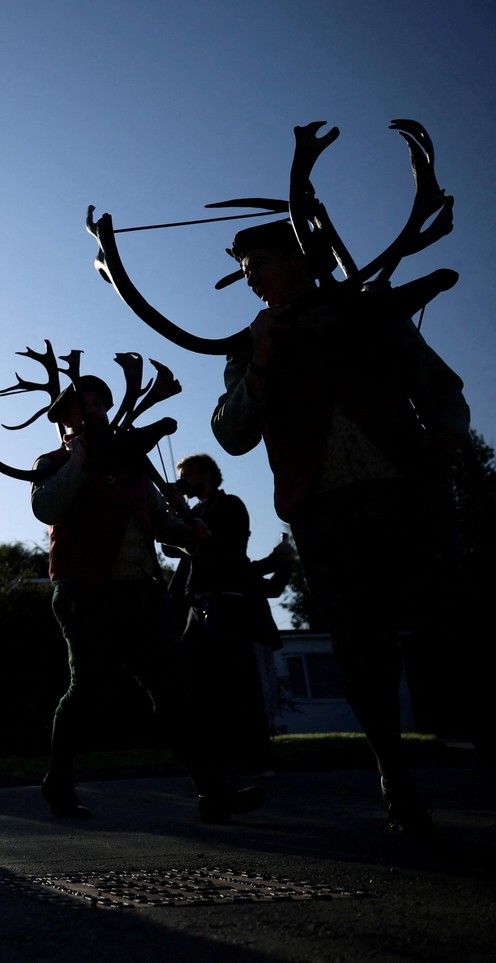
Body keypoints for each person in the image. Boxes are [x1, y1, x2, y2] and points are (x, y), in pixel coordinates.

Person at [212, 218, 483, 836]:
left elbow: (445, 389)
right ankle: (395, 776)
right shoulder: (247, 345)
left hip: (408, 490)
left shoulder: (368, 314)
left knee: (458, 629)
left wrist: (448, 434)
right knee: (362, 647)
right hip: (322, 508)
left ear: (299, 261)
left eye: (259, 262)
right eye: (247, 266)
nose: (250, 276)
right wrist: (258, 364)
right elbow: (231, 435)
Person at [32, 376, 266, 822]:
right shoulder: (53, 462)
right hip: (85, 593)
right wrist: (77, 464)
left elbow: (158, 522)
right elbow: (47, 509)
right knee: (88, 691)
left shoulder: (131, 464)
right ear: (64, 421)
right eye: (84, 406)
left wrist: (185, 534)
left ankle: (214, 791)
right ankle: (59, 783)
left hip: (143, 593)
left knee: (176, 692)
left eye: (101, 403)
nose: (96, 411)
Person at [170, 453, 286, 778]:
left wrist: (183, 519)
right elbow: (171, 547)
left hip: (227, 602)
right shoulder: (194, 511)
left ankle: (254, 758)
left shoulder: (229, 506)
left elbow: (224, 549)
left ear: (207, 475)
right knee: (201, 685)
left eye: (189, 475)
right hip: (198, 604)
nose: (185, 482)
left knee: (237, 684)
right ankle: (216, 757)